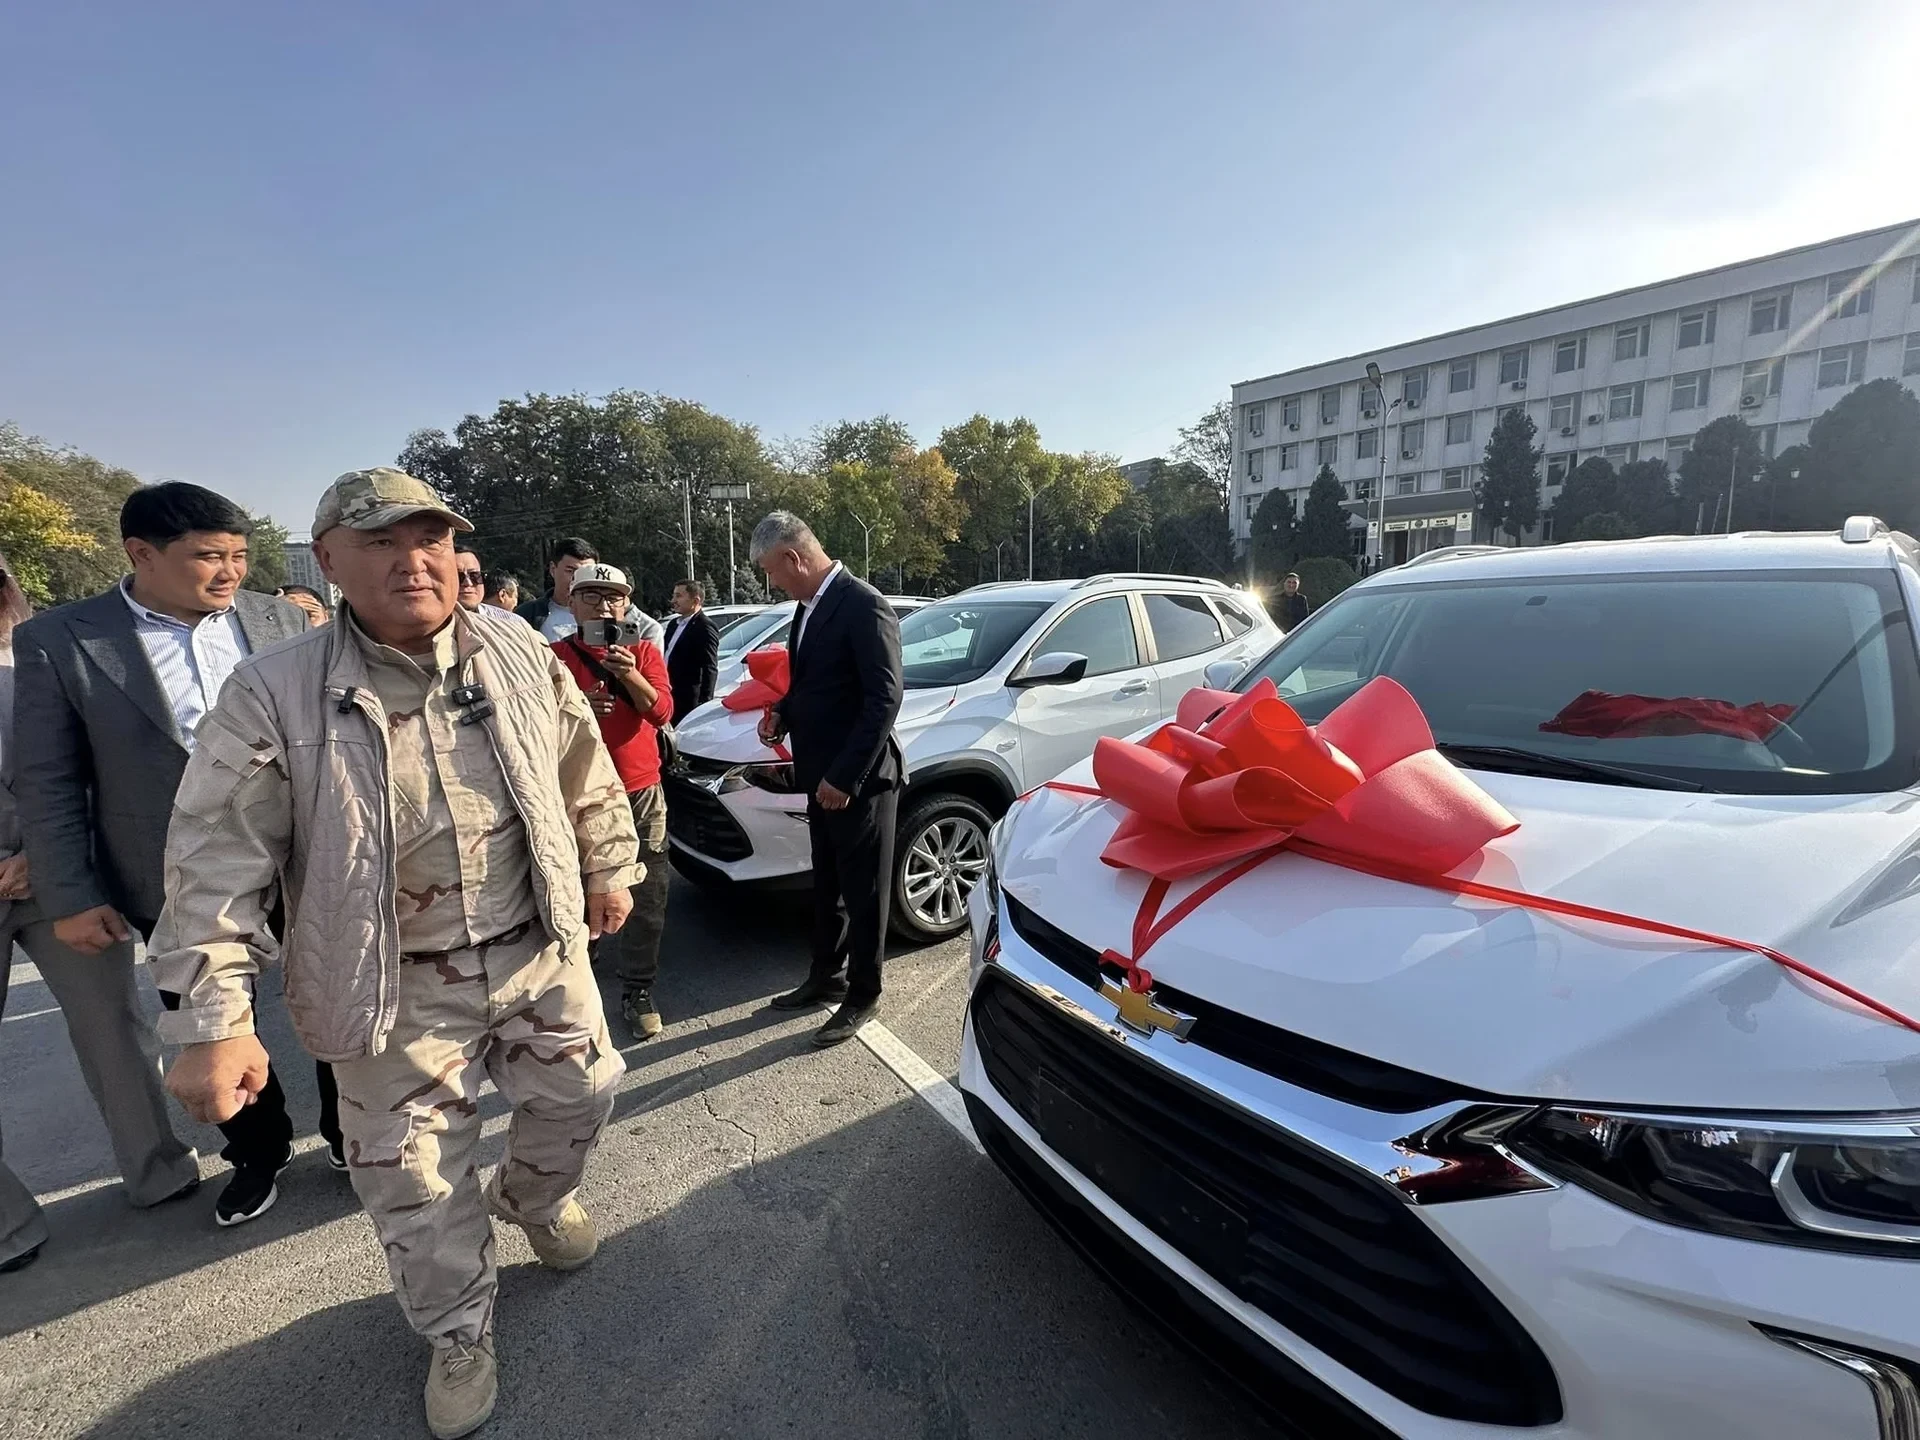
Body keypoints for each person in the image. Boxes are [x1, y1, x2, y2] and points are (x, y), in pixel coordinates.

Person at [151, 467, 638, 1440]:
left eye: (430, 539)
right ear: (328, 561)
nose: (413, 561)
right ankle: (459, 1332)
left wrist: (609, 862)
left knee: (583, 1096)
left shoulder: (514, 646)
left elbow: (579, 760)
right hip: (388, 989)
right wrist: (213, 1021)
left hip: (537, 952)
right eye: (380, 542)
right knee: (414, 1182)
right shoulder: (275, 692)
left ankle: (532, 1199)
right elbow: (212, 861)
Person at [12, 481, 330, 1227]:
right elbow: (48, 778)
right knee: (210, 1020)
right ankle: (258, 1152)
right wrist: (70, 893)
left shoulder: (278, 619)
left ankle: (349, 1133)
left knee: (334, 994)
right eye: (209, 557)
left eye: (240, 556)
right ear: (142, 554)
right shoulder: (63, 639)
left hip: (302, 854)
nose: (231, 572)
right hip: (170, 871)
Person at [0, 548, 199, 1272]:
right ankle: (7, 1226)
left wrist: (49, 860)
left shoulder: (41, 650)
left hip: (61, 877)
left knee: (113, 1028)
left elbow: (89, 771)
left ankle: (157, 1169)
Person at [750, 513, 902, 1047]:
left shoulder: (863, 604)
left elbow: (884, 698)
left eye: (772, 571)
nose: (773, 583)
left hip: (858, 781)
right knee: (829, 885)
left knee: (864, 893)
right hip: (820, 778)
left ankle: (863, 993)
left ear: (794, 558)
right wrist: (782, 714)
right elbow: (814, 686)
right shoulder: (808, 608)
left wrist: (844, 776)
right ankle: (826, 976)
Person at [549, 563, 674, 1040]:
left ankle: (638, 987)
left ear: (627, 605)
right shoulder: (554, 657)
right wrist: (578, 700)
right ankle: (580, 972)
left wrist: (632, 676)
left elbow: (662, 712)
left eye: (614, 597)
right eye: (592, 596)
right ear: (572, 603)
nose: (604, 606)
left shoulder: (643, 651)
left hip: (641, 791)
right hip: (575, 795)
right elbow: (534, 726)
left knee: (647, 893)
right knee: (575, 888)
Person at [514, 536, 598, 642]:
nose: (577, 579)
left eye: (586, 572)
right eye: (570, 571)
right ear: (553, 569)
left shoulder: (607, 612)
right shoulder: (527, 614)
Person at [660, 578, 720, 720]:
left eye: (679, 596)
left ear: (695, 600)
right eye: (673, 596)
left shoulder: (704, 626)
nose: (673, 601)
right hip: (667, 691)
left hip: (687, 698)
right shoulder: (673, 624)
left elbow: (710, 667)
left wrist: (705, 703)